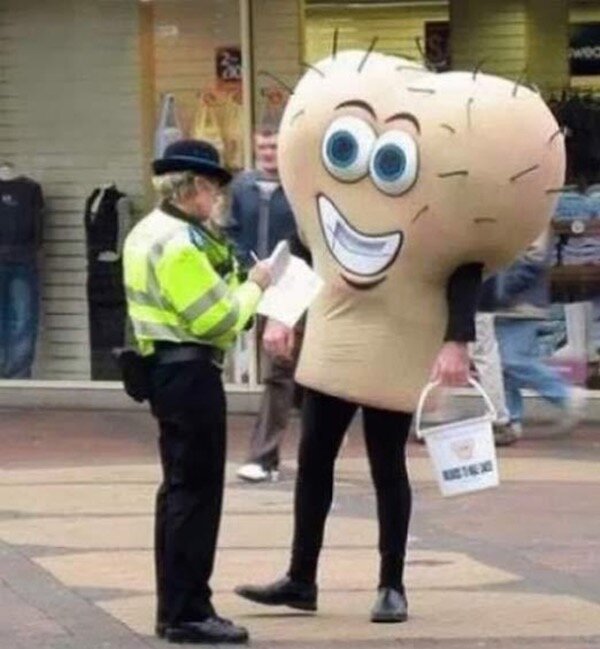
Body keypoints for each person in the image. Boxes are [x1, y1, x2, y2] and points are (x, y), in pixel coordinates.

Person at [123, 139, 271, 644]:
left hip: (164, 372)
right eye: (214, 190)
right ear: (194, 188)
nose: (219, 199)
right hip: (190, 373)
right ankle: (189, 612)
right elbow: (216, 319)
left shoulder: (147, 232)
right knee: (196, 496)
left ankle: (174, 609)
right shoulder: (180, 244)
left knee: (177, 492)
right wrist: (256, 285)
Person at [226, 128, 299, 483]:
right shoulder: (242, 187)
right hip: (258, 283)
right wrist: (245, 265)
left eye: (274, 146)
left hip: (297, 284)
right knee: (286, 368)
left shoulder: (300, 184)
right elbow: (231, 230)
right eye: (262, 147)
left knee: (279, 369)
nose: (268, 153)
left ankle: (263, 456)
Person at [483, 231, 585, 440]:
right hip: (505, 304)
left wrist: (501, 290)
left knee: (514, 360)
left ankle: (564, 394)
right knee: (502, 367)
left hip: (523, 303)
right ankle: (511, 419)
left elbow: (533, 259)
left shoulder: (534, 220)